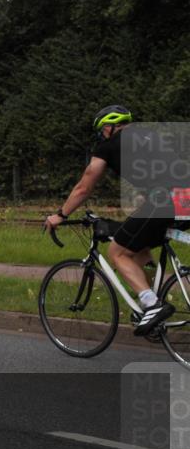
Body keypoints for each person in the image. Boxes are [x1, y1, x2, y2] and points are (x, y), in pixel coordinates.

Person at [44, 105, 184, 336]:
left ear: (109, 127)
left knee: (117, 252)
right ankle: (151, 300)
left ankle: (152, 305)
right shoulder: (151, 136)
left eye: (101, 131)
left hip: (164, 200)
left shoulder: (109, 145)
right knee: (139, 246)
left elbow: (85, 186)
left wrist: (60, 215)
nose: (101, 136)